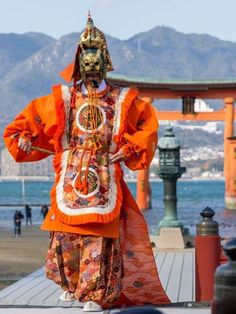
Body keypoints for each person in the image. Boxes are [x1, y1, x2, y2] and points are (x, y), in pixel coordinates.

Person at [3, 13, 170, 311]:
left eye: (97, 62)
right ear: (80, 64)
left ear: (104, 62)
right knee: (65, 240)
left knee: (99, 240)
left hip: (104, 175)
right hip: (70, 175)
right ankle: (72, 285)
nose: (92, 68)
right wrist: (26, 139)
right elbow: (26, 125)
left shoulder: (121, 100)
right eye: (87, 62)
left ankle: (95, 294)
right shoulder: (62, 99)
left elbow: (147, 126)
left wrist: (131, 147)